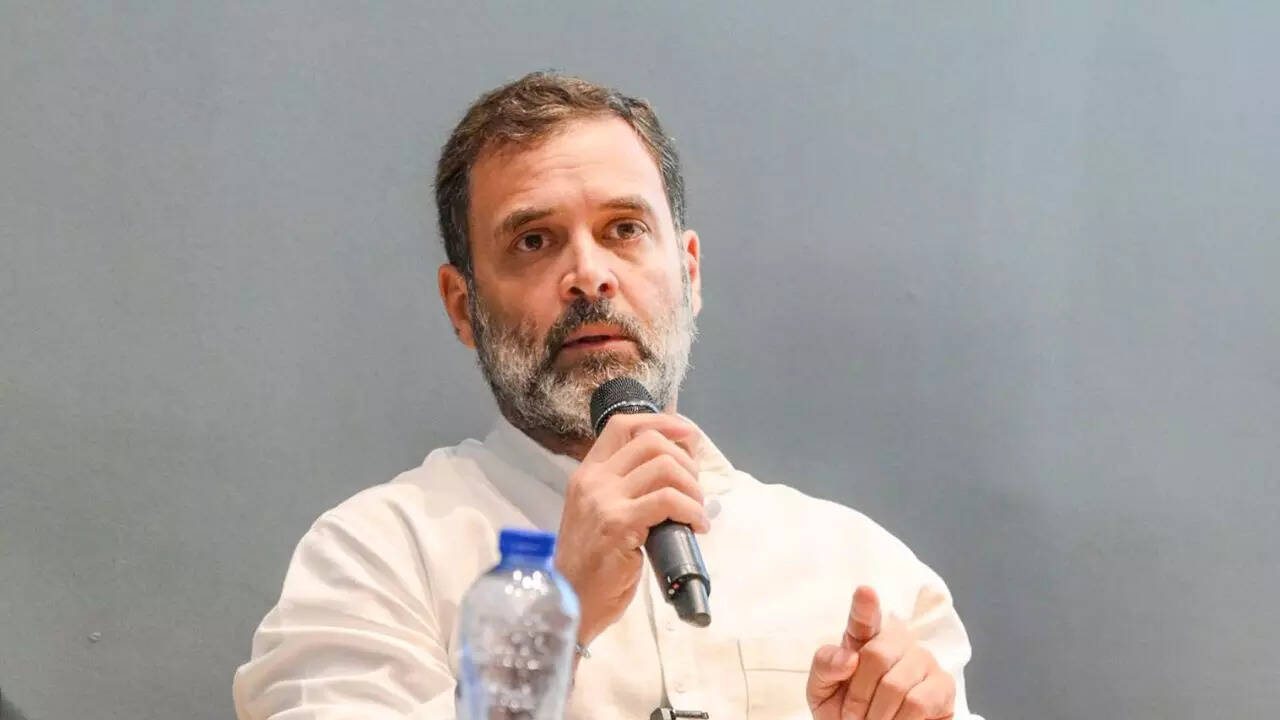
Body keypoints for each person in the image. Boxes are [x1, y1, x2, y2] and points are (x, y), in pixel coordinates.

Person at [233, 71, 983, 720]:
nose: (589, 275)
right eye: (534, 240)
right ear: (463, 306)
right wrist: (555, 617)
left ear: (689, 273)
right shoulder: (376, 556)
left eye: (624, 229)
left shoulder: (862, 569)